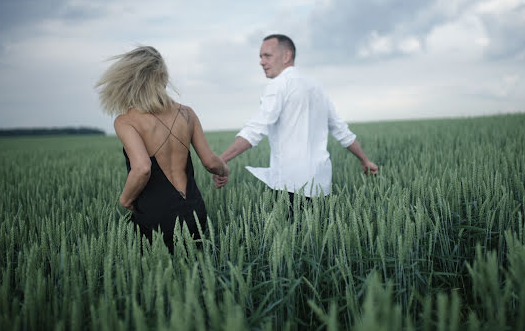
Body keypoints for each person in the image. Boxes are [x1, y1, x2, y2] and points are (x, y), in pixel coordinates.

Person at [213, 34, 377, 203]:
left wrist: (219, 161)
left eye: (267, 55)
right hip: (321, 185)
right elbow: (341, 130)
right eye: (261, 57)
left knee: (292, 228)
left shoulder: (278, 85)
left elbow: (255, 130)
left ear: (286, 56)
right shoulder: (316, 87)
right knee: (316, 229)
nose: (262, 62)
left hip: (290, 186)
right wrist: (365, 160)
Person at [96, 46, 229, 252]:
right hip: (194, 210)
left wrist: (125, 199)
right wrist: (224, 171)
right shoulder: (187, 113)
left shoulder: (126, 121)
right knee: (197, 275)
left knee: (156, 279)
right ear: (163, 78)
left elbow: (142, 167)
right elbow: (211, 162)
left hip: (155, 215)